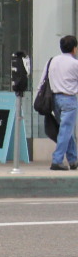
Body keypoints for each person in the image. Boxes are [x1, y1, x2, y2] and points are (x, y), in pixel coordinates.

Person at [47, 35, 78, 170]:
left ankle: (73, 159)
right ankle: (57, 160)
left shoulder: (53, 61)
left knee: (66, 130)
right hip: (69, 99)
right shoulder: (74, 64)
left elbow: (44, 79)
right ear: (74, 48)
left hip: (55, 99)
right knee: (65, 131)